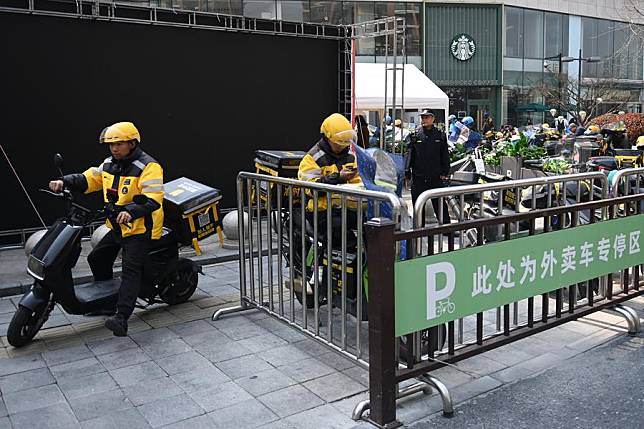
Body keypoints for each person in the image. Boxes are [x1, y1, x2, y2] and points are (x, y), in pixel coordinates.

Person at [49, 122, 164, 337]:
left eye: (119, 144)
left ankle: (121, 317)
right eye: (111, 145)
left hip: (139, 228)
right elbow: (90, 179)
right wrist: (64, 181)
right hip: (118, 226)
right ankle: (108, 301)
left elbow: (153, 199)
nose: (114, 148)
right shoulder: (110, 164)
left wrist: (131, 210)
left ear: (132, 143)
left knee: (130, 271)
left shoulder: (149, 167)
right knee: (97, 258)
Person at [298, 113, 362, 241]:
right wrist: (339, 178)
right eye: (338, 143)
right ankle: (330, 258)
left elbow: (358, 182)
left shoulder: (350, 156)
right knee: (338, 227)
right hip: (320, 210)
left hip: (345, 206)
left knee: (368, 222)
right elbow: (311, 188)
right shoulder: (312, 158)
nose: (342, 146)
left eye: (345, 143)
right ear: (327, 138)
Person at [405, 109, 451, 223]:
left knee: (440, 203)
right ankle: (419, 228)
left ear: (433, 119)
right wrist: (407, 171)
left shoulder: (440, 135)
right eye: (422, 118)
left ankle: (446, 228)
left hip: (435, 176)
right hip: (419, 176)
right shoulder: (415, 134)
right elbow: (409, 153)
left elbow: (444, 154)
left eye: (426, 117)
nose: (424, 120)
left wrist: (445, 172)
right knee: (418, 204)